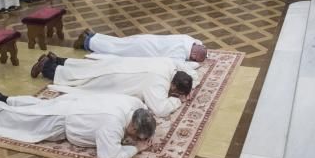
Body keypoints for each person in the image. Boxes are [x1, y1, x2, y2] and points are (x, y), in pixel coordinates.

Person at [0, 90, 156, 158]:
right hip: (65, 118)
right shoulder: (112, 126)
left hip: (75, 101)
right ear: (132, 125)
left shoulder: (133, 104)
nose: (135, 138)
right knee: (27, 121)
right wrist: (136, 148)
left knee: (39, 106)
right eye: (136, 135)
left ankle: (5, 98)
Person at [29, 53, 194, 119]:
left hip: (120, 64)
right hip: (115, 79)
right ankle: (47, 67)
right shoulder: (158, 84)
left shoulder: (167, 64)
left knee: (86, 67)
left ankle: (57, 59)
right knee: (82, 79)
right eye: (174, 92)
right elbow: (160, 109)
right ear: (173, 87)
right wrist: (178, 101)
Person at [73, 30, 208, 63]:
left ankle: (92, 35)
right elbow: (177, 65)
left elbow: (199, 43)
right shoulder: (179, 55)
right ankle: (87, 42)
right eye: (194, 58)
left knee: (119, 42)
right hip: (143, 50)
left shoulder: (187, 39)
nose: (192, 59)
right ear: (194, 55)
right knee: (116, 49)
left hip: (146, 39)